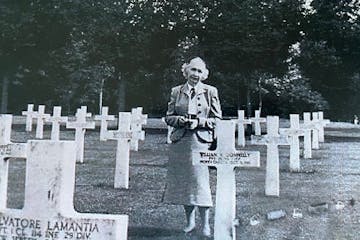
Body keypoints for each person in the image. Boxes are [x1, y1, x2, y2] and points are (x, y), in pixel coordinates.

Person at [163, 57, 222, 237]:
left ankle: (205, 224)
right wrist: (180, 120)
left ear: (204, 74)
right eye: (192, 70)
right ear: (186, 71)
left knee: (200, 183)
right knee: (185, 183)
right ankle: (189, 222)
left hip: (201, 142)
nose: (195, 74)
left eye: (199, 71)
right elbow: (168, 116)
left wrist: (200, 122)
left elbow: (217, 119)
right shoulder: (176, 91)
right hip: (181, 142)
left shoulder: (210, 91)